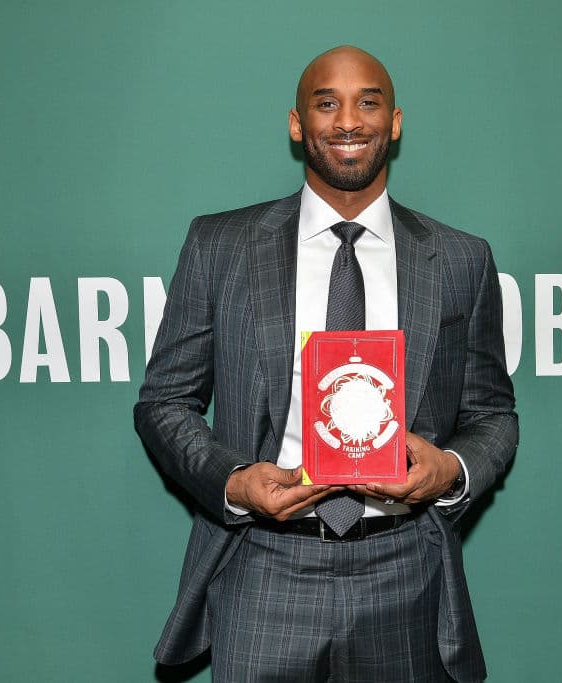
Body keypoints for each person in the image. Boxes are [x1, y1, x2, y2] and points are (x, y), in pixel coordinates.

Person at [134, 45, 518, 683]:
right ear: (296, 123)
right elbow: (164, 402)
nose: (348, 120)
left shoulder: (459, 259)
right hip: (264, 569)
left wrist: (450, 468)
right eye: (326, 103)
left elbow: (493, 416)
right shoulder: (220, 245)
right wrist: (234, 482)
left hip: (406, 574)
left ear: (395, 122)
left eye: (368, 102)